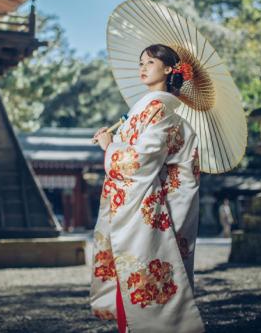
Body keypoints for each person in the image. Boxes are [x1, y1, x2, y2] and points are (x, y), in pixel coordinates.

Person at [89, 44, 205, 333]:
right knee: (130, 276)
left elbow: (140, 161)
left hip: (152, 207)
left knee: (141, 275)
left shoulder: (161, 109)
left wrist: (110, 146)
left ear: (168, 69)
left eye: (150, 62)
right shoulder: (149, 108)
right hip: (143, 199)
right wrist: (116, 140)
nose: (142, 67)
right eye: (140, 62)